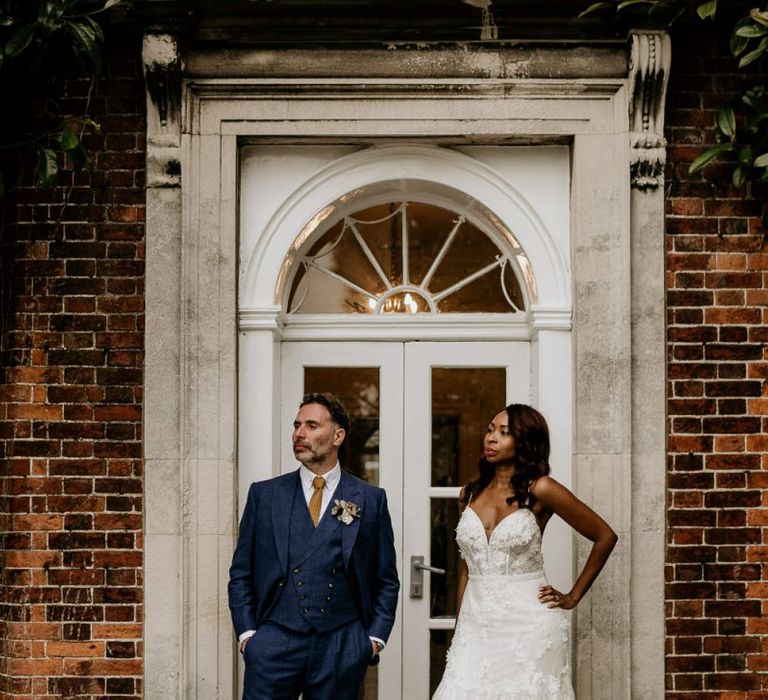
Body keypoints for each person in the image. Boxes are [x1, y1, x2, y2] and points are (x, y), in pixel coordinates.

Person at [433, 403, 617, 699]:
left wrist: (573, 596)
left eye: (504, 432)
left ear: (525, 441)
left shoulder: (541, 489)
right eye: (490, 430)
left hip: (530, 626)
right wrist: (460, 628)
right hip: (475, 625)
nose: (491, 438)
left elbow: (604, 536)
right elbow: (467, 568)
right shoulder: (469, 493)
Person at [228, 392, 400, 700]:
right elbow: (241, 572)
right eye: (296, 425)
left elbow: (385, 579)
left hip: (342, 643)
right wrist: (248, 636)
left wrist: (373, 639)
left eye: (311, 425)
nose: (299, 433)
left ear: (337, 435)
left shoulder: (370, 499)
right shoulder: (264, 495)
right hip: (273, 642)